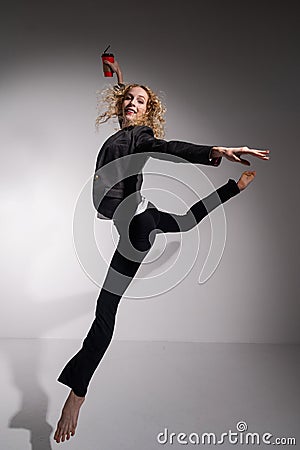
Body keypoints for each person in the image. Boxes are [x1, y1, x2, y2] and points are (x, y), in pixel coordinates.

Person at [54, 59, 270, 443]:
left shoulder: (140, 137)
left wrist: (215, 150)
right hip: (137, 226)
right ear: (121, 104)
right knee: (176, 229)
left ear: (148, 112)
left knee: (105, 314)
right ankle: (233, 190)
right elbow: (186, 220)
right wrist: (120, 76)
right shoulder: (126, 130)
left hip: (139, 225)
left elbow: (168, 147)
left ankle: (77, 394)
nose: (133, 104)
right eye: (129, 99)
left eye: (140, 101)